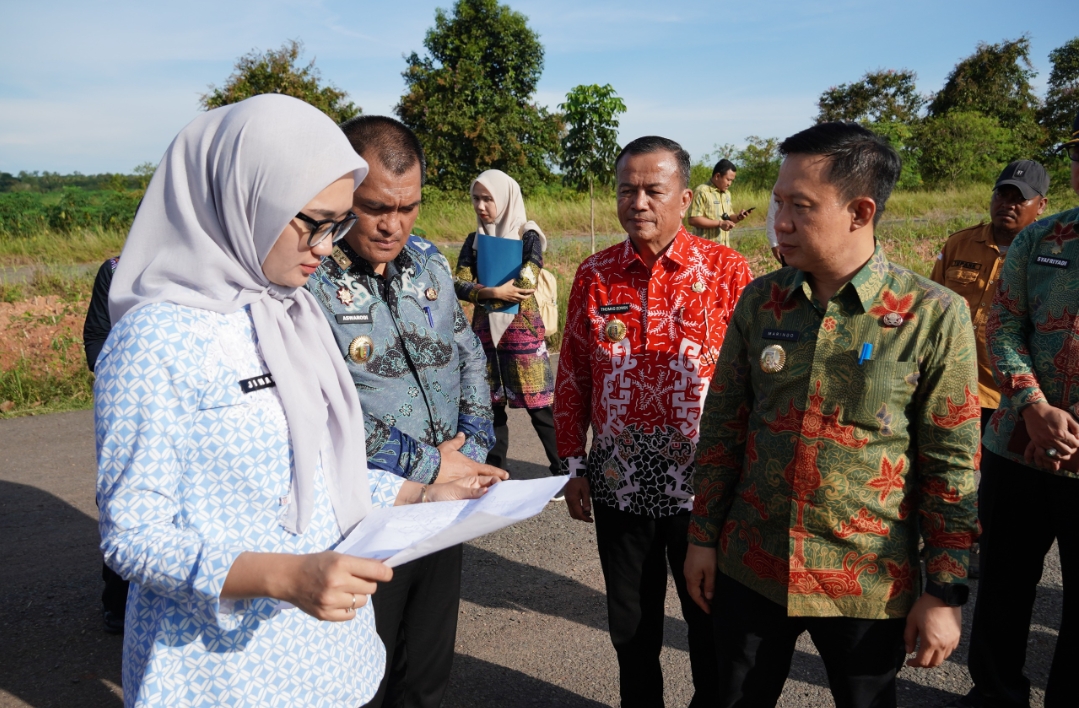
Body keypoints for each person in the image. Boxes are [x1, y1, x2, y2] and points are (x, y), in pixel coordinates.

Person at [95, 95, 494, 708]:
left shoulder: (289, 313)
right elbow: (134, 535)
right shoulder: (157, 339)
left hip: (332, 665)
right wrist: (286, 576)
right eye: (315, 223)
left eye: (337, 226)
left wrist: (419, 495)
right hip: (224, 678)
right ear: (244, 201)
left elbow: (319, 470)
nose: (326, 247)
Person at [685, 122, 980, 708]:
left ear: (859, 212)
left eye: (800, 206)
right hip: (753, 565)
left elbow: (952, 464)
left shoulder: (932, 315)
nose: (780, 222)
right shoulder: (761, 300)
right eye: (777, 204)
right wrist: (702, 538)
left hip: (867, 580)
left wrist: (945, 589)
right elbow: (722, 429)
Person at [306, 115, 502, 708]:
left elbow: (468, 353)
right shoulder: (309, 278)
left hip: (445, 503)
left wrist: (472, 446)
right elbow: (322, 406)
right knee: (363, 675)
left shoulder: (429, 261)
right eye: (374, 208)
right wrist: (429, 466)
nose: (393, 225)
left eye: (408, 207)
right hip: (365, 513)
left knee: (428, 668)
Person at [555, 136, 754, 707]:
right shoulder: (596, 274)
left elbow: (752, 383)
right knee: (632, 626)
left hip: (705, 490)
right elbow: (573, 374)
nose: (638, 202)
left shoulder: (726, 271)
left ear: (686, 198)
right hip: (619, 485)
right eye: (627, 190)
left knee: (710, 623)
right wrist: (573, 465)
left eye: (652, 190)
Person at [955, 113, 1079, 708]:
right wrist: (1034, 407)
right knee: (1004, 582)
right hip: (1015, 441)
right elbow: (1003, 324)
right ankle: (996, 694)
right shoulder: (1042, 239)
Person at [930, 160, 1049, 579]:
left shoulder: (1047, 252)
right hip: (954, 383)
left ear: (1041, 205)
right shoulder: (960, 244)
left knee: (998, 482)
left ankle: (982, 544)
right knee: (946, 467)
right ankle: (942, 538)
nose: (1008, 205)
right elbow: (932, 307)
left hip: (1010, 394)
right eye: (1003, 194)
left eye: (1020, 199)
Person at [453, 170, 560, 480]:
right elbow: (458, 283)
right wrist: (491, 292)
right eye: (476, 199)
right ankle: (495, 472)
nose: (481, 206)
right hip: (485, 334)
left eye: (488, 199)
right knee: (492, 406)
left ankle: (565, 473)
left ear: (505, 198)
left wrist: (485, 292)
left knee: (540, 407)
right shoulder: (474, 240)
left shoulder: (527, 234)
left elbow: (529, 276)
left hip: (522, 331)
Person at [82, 255, 130, 634]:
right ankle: (118, 602)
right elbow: (95, 339)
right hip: (127, 403)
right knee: (123, 499)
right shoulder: (115, 270)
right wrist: (131, 369)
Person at [687, 158, 752, 246]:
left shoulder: (727, 194)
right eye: (728, 179)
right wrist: (720, 223)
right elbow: (693, 220)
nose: (729, 184)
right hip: (705, 248)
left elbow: (729, 217)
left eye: (732, 181)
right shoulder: (702, 191)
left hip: (723, 247)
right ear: (717, 176)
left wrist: (738, 217)